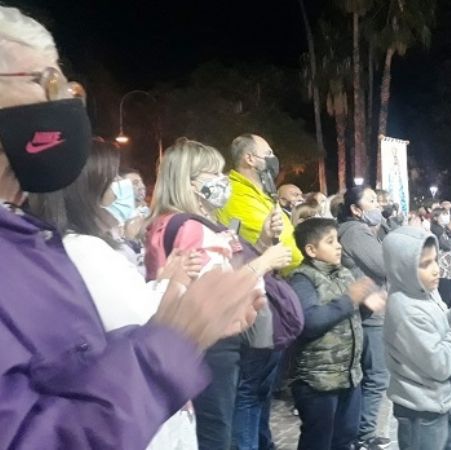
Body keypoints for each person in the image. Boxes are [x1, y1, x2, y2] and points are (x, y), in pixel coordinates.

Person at [0, 7, 266, 448]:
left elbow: (67, 365)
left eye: (65, 85)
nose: (63, 101)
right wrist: (170, 346)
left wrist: (184, 319)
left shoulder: (27, 238)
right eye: (44, 81)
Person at [28, 140, 204, 450]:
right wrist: (174, 285)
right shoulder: (87, 249)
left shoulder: (66, 246)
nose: (121, 189)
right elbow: (143, 326)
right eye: (113, 179)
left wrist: (163, 281)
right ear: (88, 190)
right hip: (134, 409)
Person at [145, 138, 293, 450]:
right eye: (212, 173)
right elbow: (214, 296)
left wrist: (263, 242)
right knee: (215, 435)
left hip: (186, 344)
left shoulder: (166, 222)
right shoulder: (191, 228)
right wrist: (265, 261)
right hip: (211, 345)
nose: (222, 180)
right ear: (187, 182)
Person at [382, 226, 451, 450]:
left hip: (442, 404)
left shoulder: (423, 292)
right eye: (424, 264)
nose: (436, 270)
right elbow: (440, 364)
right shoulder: (404, 309)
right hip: (421, 413)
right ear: (402, 268)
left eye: (435, 260)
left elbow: (433, 331)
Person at [289, 218, 386, 450]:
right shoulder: (302, 279)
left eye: (337, 241)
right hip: (318, 379)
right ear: (311, 250)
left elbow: (349, 319)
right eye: (330, 242)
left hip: (349, 375)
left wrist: (364, 307)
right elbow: (310, 322)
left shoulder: (343, 273)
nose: (338, 246)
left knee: (346, 436)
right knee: (319, 439)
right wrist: (350, 299)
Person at [337, 186, 391, 449]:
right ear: (355, 210)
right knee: (377, 374)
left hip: (370, 308)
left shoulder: (360, 230)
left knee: (372, 374)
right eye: (371, 201)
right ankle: (363, 434)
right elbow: (383, 263)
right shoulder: (355, 231)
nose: (377, 204)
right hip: (369, 313)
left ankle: (362, 432)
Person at [217, 133, 303, 274]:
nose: (273, 159)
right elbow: (280, 246)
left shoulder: (259, 193)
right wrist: (305, 268)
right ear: (250, 159)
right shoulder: (237, 195)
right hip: (284, 275)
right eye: (268, 153)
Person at [430, 207, 451, 308]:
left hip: (450, 269)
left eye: (447, 214)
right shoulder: (435, 229)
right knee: (445, 296)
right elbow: (446, 245)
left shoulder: (446, 229)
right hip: (442, 269)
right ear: (435, 217)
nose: (447, 217)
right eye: (443, 214)